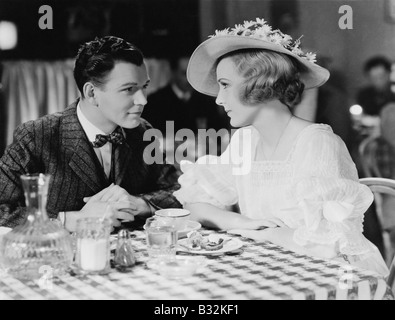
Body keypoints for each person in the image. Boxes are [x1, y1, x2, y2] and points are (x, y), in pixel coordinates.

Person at [173, 18, 388, 276]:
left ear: (259, 82)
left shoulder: (317, 143)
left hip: (328, 278)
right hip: (267, 269)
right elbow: (194, 202)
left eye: (225, 85)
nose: (219, 99)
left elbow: (330, 243)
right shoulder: (245, 141)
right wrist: (242, 222)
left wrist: (266, 234)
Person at [0, 36, 181, 232]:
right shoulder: (36, 137)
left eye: (144, 87)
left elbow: (179, 190)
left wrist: (139, 203)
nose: (143, 100)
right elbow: (2, 210)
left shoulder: (142, 132)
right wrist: (72, 220)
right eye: (129, 89)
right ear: (91, 93)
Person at [143, 53, 230, 134]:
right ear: (173, 73)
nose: (189, 79)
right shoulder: (155, 102)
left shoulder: (206, 101)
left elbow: (219, 134)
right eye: (184, 74)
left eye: (192, 74)